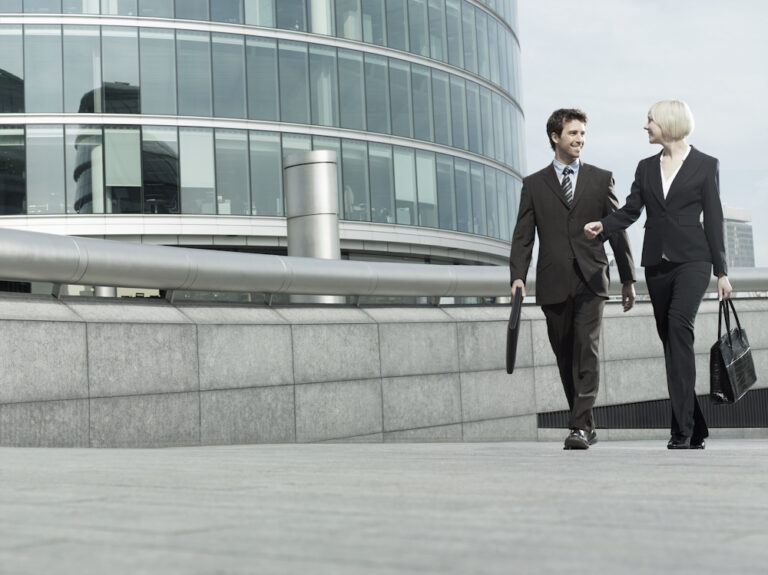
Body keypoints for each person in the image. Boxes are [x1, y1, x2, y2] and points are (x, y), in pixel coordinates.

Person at [584, 99, 732, 450]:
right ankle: (694, 425)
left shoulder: (705, 165)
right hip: (657, 265)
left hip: (694, 261)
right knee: (671, 342)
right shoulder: (645, 167)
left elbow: (714, 219)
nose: (646, 127)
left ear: (667, 122)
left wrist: (722, 271)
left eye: (649, 120)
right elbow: (632, 210)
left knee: (680, 327)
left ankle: (682, 431)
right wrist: (603, 226)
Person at [510, 108, 636, 450]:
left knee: (587, 350)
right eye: (573, 134)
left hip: (592, 278)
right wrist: (518, 276)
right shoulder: (533, 185)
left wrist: (627, 278)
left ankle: (578, 426)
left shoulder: (600, 178)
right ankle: (586, 425)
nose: (579, 140)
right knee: (565, 355)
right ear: (555, 137)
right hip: (553, 281)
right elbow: (523, 235)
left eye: (583, 134)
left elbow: (617, 231)